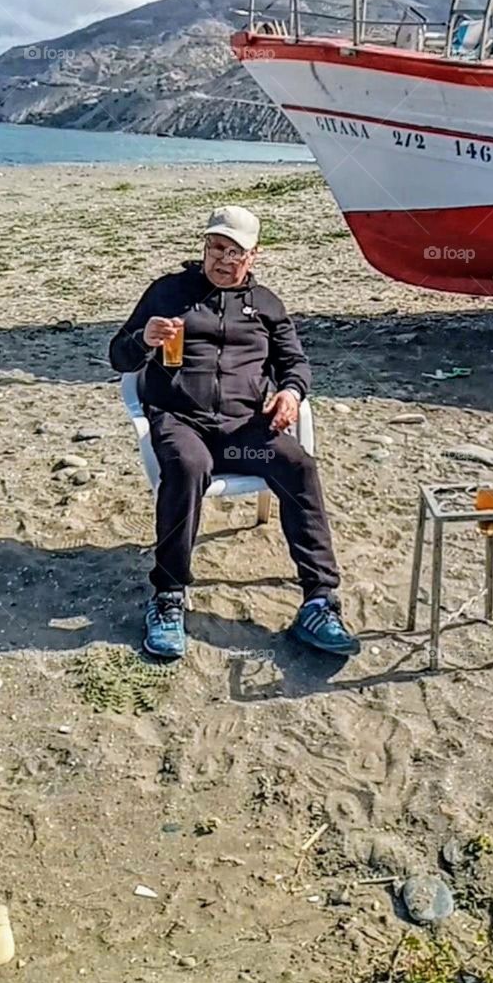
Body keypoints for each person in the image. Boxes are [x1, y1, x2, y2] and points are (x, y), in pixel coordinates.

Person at [109, 204, 360, 662]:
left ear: (254, 255)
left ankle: (320, 602)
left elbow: (295, 364)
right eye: (215, 248)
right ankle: (168, 598)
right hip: (182, 420)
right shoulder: (168, 292)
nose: (222, 260)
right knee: (187, 466)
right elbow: (119, 359)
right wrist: (141, 340)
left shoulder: (266, 304)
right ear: (204, 247)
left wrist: (291, 393)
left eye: (234, 252)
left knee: (299, 466)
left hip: (245, 431)